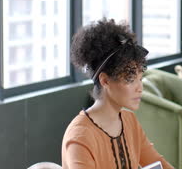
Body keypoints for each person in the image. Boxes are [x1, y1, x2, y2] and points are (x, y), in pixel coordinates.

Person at [61, 18, 174, 169]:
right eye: (131, 79)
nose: (140, 88)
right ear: (105, 81)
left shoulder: (129, 121)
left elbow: (160, 165)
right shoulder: (80, 137)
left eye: (140, 79)